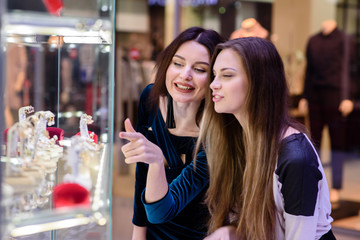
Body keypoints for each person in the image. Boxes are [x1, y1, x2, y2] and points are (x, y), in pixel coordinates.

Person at [197, 37, 335, 240]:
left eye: (226, 75)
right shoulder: (236, 139)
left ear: (259, 82)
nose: (213, 85)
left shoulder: (296, 157)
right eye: (215, 75)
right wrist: (232, 232)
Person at [119, 27, 225, 240]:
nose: (185, 75)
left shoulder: (217, 130)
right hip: (153, 232)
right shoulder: (150, 98)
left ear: (214, 77)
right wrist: (137, 234)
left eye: (200, 69)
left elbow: (162, 211)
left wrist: (157, 161)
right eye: (177, 63)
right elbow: (142, 177)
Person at [298, 19, 356, 203]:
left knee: (337, 144)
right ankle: (315, 185)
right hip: (315, 97)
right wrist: (304, 96)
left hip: (336, 98)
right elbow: (309, 70)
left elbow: (351, 69)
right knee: (314, 144)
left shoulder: (345, 39)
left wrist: (349, 97)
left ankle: (337, 187)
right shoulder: (313, 40)